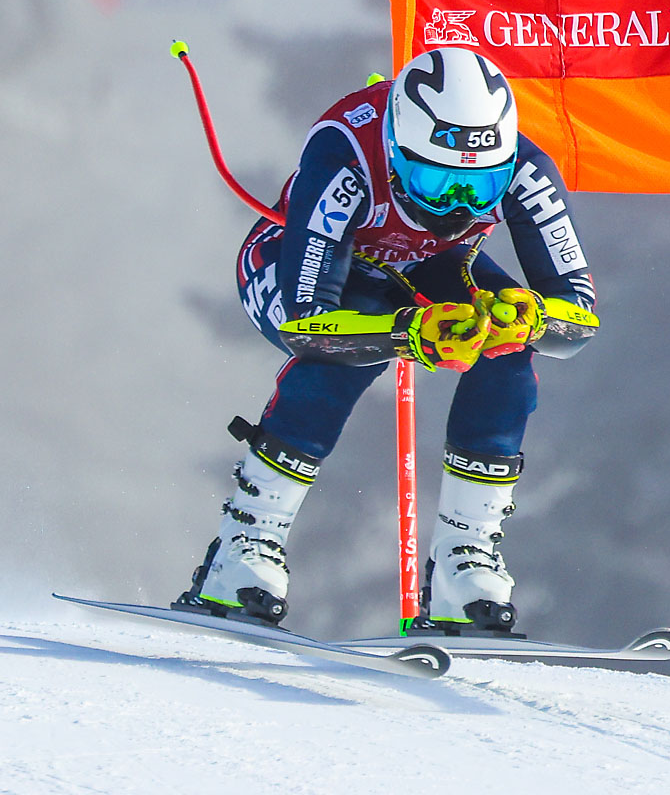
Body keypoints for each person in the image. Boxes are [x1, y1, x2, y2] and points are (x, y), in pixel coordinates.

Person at [175, 47, 598, 633]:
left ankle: (463, 558)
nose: (456, 204)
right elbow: (307, 324)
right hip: (302, 271)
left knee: (505, 350)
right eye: (437, 179)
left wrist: (527, 318)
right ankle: (244, 547)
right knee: (341, 356)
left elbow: (578, 316)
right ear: (399, 151)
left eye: (479, 189)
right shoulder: (344, 149)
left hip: (431, 267)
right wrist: (409, 334)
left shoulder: (526, 168)